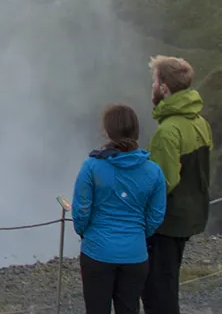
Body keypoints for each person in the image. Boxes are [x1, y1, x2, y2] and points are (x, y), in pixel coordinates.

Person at [72, 103, 167, 314]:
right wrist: (139, 233)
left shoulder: (92, 166)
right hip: (135, 254)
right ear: (137, 131)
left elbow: (81, 210)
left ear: (106, 132)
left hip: (97, 252)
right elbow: (156, 214)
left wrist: (86, 233)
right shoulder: (154, 171)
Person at [141, 55, 213, 314]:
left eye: (154, 80)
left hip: (167, 223)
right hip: (191, 215)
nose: (152, 86)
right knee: (169, 281)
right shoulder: (200, 123)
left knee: (158, 291)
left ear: (163, 87)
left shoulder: (167, 132)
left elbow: (162, 183)